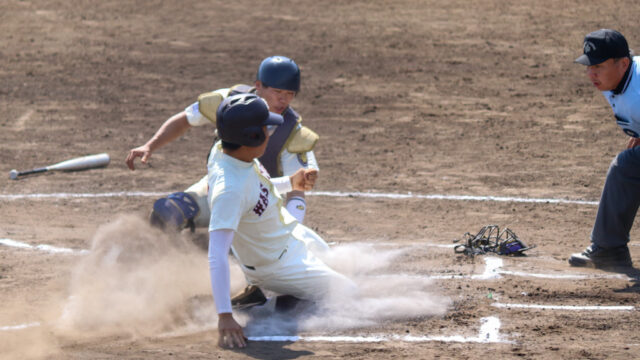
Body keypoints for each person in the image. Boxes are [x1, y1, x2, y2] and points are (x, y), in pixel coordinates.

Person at [207, 93, 355, 348]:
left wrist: (289, 183)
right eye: (266, 127)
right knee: (348, 292)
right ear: (252, 137)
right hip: (276, 264)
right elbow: (217, 253)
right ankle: (265, 304)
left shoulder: (226, 151)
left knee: (332, 258)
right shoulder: (229, 190)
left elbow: (253, 191)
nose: (271, 131)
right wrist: (224, 316)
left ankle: (262, 294)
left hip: (287, 235)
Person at [125, 56, 320, 232]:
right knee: (168, 213)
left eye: (290, 93)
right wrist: (150, 145)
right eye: (277, 91)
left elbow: (297, 191)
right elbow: (185, 119)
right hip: (222, 187)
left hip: (261, 206)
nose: (283, 99)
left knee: (240, 250)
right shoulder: (230, 101)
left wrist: (293, 232)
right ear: (258, 86)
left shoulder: (292, 133)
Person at [569, 29, 640, 270]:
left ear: (623, 63)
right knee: (627, 166)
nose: (591, 73)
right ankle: (609, 249)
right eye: (589, 66)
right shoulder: (615, 80)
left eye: (598, 66)